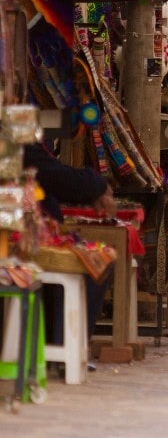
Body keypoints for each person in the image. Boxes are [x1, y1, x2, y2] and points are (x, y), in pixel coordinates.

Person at [24, 142, 118, 361]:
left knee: (97, 260)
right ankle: (64, 351)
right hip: (20, 240)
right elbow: (54, 176)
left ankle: (64, 348)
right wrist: (96, 185)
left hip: (28, 233)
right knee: (94, 263)